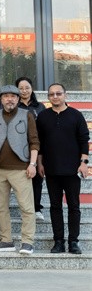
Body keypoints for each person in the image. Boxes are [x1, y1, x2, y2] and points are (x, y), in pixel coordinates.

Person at [0, 85, 39, 255]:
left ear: (18, 99)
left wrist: (32, 164)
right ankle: (6, 240)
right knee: (0, 207)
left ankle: (27, 242)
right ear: (0, 99)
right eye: (6, 96)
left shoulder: (27, 115)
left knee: (26, 207)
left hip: (21, 169)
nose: (10, 99)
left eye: (13, 96)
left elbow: (34, 141)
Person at [36, 84, 89, 254]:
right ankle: (58, 241)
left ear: (65, 95)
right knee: (55, 207)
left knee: (74, 206)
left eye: (58, 93)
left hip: (72, 170)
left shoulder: (76, 115)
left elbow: (84, 140)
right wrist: (40, 163)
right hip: (51, 169)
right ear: (48, 97)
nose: (55, 96)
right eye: (52, 94)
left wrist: (84, 163)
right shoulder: (43, 116)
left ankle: (73, 241)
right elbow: (39, 143)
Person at [16, 76, 47, 221]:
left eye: (27, 88)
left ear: (32, 89)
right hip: (18, 146)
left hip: (37, 146)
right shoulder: (14, 105)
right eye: (21, 88)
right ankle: (25, 208)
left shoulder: (39, 107)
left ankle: (36, 208)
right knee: (21, 179)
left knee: (37, 178)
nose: (24, 91)